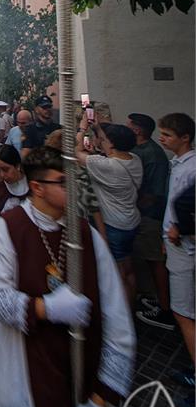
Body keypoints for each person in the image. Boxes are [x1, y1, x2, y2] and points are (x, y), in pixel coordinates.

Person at [0, 146, 136, 407]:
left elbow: (118, 319)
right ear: (37, 187)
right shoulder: (8, 228)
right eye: (63, 182)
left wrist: (102, 397)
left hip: (86, 374)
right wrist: (43, 309)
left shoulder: (85, 235)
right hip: (28, 368)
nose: (73, 187)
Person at [76, 118, 142, 306]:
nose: (100, 141)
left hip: (114, 226)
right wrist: (96, 126)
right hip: (131, 221)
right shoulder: (134, 159)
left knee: (117, 272)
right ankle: (130, 305)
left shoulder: (106, 165)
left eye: (104, 139)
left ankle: (121, 311)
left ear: (112, 143)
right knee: (128, 268)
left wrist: (82, 128)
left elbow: (76, 152)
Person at [125, 113, 174, 330]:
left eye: (130, 126)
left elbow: (154, 192)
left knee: (156, 261)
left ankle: (165, 309)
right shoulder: (140, 150)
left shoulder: (153, 155)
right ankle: (156, 297)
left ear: (137, 130)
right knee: (147, 259)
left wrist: (137, 208)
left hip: (150, 216)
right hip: (142, 214)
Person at [158, 113, 195, 375]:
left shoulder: (192, 167)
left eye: (168, 135)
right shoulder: (178, 162)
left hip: (185, 246)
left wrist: (179, 229)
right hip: (175, 243)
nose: (162, 138)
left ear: (185, 138)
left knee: (182, 313)